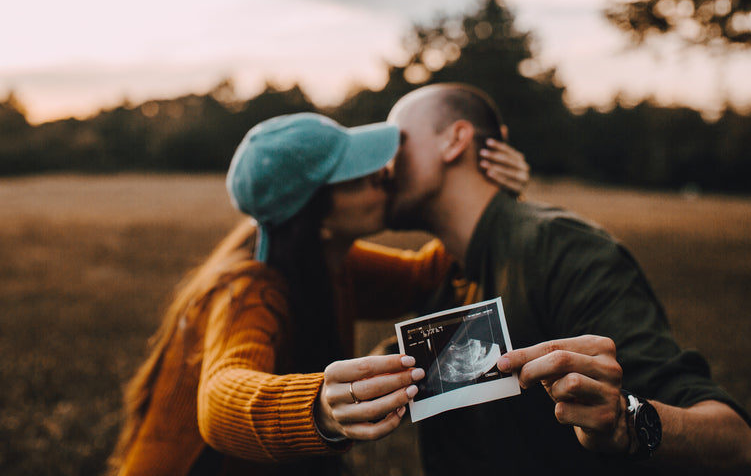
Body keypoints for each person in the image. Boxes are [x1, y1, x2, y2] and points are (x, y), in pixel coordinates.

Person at [108, 112, 531, 476]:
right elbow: (220, 398)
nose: (382, 174)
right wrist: (318, 410)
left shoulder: (326, 258)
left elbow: (427, 275)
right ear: (316, 217)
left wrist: (488, 191)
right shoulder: (248, 289)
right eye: (358, 175)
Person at [383, 83, 751, 475]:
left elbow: (736, 441)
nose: (382, 168)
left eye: (396, 142)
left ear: (455, 140)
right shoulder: (443, 273)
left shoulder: (562, 251)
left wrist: (628, 423)